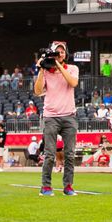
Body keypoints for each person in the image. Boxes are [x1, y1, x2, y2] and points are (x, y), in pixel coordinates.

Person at [35, 41, 80, 196]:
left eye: (62, 52)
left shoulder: (72, 68)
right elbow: (37, 90)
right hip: (51, 116)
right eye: (56, 52)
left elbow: (73, 83)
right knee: (49, 154)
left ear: (65, 54)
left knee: (69, 154)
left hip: (69, 115)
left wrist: (59, 66)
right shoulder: (47, 71)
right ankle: (45, 186)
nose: (59, 55)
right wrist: (41, 69)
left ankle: (68, 186)